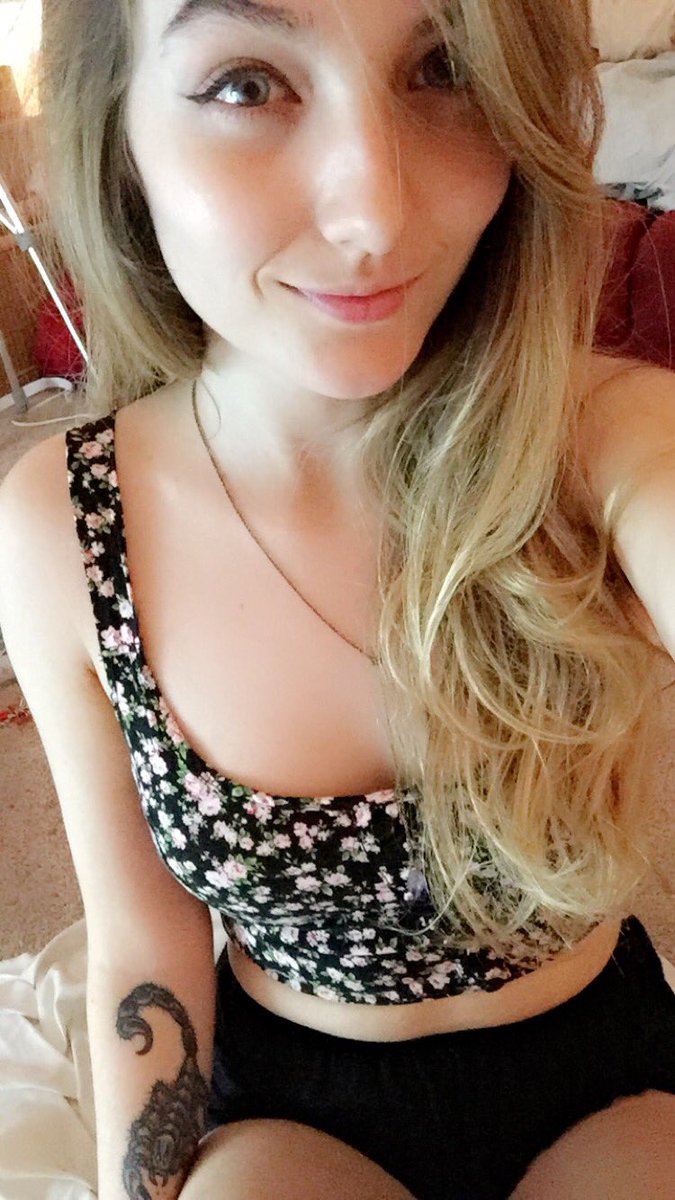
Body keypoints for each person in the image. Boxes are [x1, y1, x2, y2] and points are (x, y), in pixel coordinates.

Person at [0, 0, 673, 1197]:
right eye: (246, 85)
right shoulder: (67, 523)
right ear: (118, 134)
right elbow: (143, 943)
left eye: (444, 68)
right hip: (295, 1107)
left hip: (605, 1074)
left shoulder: (607, 442)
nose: (376, 213)